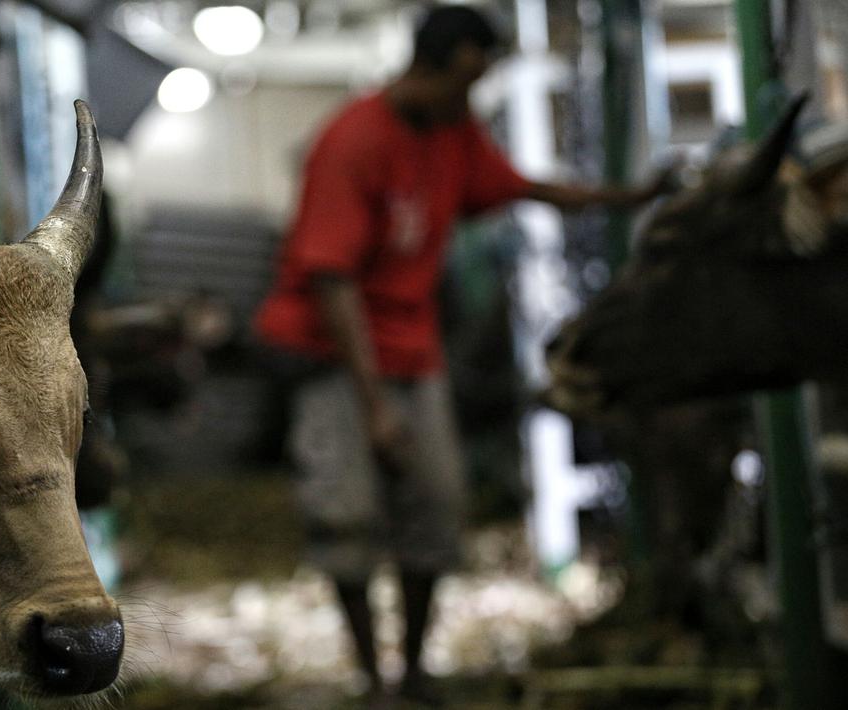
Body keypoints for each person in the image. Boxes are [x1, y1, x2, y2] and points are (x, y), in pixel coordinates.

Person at [254, 5, 663, 705]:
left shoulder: (452, 131)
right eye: (466, 79)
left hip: (413, 351)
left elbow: (521, 186)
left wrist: (627, 198)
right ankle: (371, 681)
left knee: (435, 509)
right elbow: (331, 278)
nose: (471, 96)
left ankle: (413, 674)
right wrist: (375, 406)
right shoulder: (352, 140)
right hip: (336, 356)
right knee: (345, 513)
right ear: (429, 66)